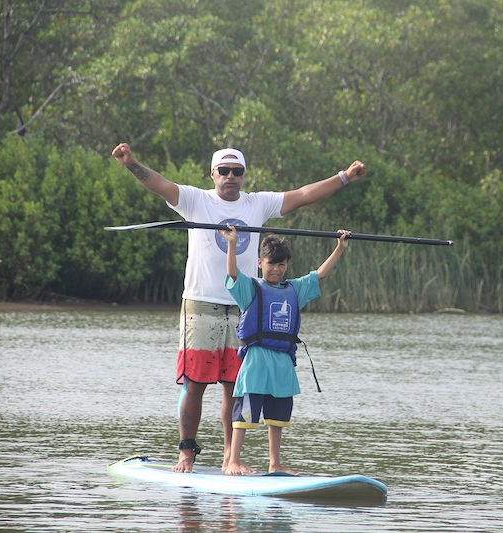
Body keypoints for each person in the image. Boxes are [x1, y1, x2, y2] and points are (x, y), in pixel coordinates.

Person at [111, 143, 366, 472]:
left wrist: (345, 177)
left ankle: (231, 458)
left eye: (237, 171)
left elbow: (304, 195)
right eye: (224, 170)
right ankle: (186, 452)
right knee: (195, 383)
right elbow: (158, 183)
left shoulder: (257, 203)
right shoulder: (195, 200)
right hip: (201, 302)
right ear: (213, 174)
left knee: (235, 385)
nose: (230, 176)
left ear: (244, 175)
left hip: (245, 305)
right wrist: (131, 163)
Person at [218, 225, 351, 475]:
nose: (276, 269)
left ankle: (275, 463)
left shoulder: (295, 290)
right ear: (260, 263)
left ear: (287, 265)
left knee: (277, 417)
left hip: (282, 363)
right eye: (271, 264)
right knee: (245, 413)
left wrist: (340, 248)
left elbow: (320, 274)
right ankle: (233, 460)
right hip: (256, 361)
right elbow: (232, 274)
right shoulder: (251, 289)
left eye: (281, 265)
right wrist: (232, 244)